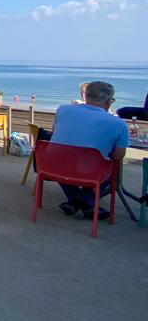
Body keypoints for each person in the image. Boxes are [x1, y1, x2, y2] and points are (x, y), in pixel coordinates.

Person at [49, 80, 128, 219]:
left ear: (85, 96)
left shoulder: (63, 110)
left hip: (54, 167)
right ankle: (83, 202)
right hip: (88, 173)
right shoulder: (118, 123)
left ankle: (76, 202)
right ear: (109, 101)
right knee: (111, 170)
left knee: (63, 158)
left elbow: (54, 132)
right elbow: (118, 156)